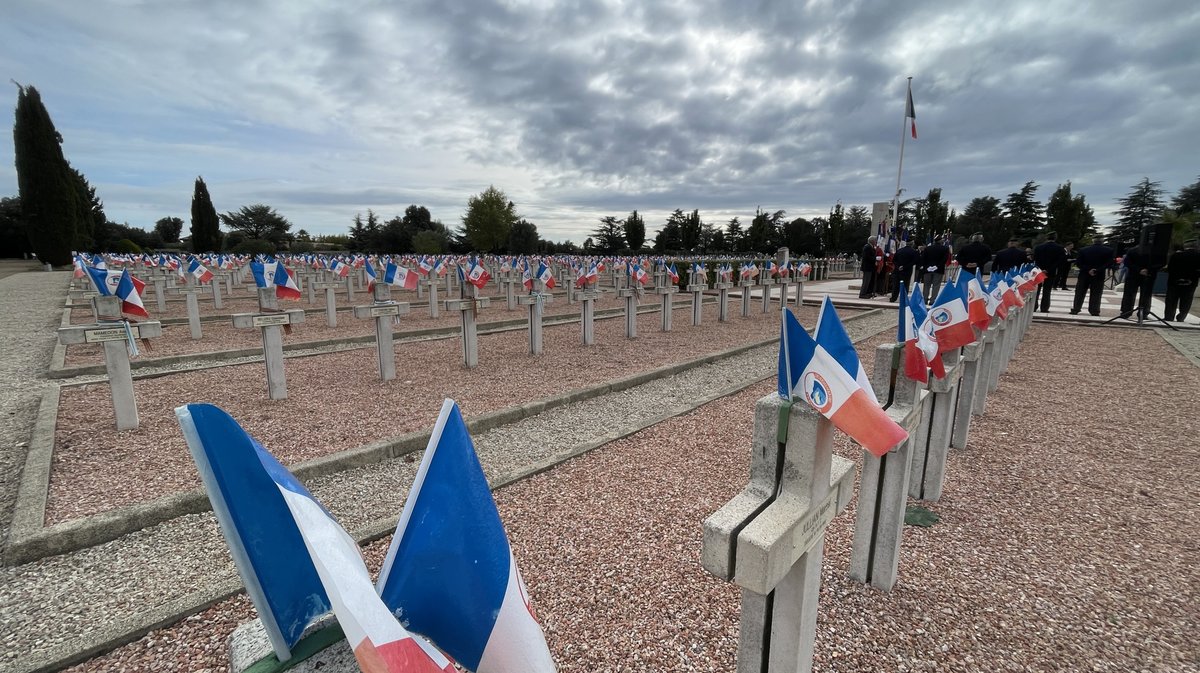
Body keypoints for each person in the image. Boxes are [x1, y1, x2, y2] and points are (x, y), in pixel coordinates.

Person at [1070, 241, 1115, 316]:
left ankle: (1076, 309)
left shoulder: (1083, 250)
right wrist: (1097, 270)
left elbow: (1078, 263)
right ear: (1102, 241)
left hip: (1084, 274)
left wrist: (1088, 269)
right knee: (1096, 293)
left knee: (1080, 292)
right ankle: (1094, 310)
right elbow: (1109, 263)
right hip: (1099, 274)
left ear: (1093, 241)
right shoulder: (1109, 250)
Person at [1164, 240, 1200, 322]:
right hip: (1191, 283)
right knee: (1186, 301)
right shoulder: (1198, 256)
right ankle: (1181, 317)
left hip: (1174, 281)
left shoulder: (1176, 255)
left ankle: (1169, 317)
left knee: (1171, 300)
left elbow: (1170, 269)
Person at [1032, 233, 1068, 312]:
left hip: (1039, 271)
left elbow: (1035, 259)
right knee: (1047, 290)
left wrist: (1041, 269)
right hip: (1051, 271)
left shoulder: (1038, 247)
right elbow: (1060, 261)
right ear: (1055, 238)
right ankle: (1044, 308)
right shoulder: (1060, 248)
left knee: (1037, 290)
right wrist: (1049, 269)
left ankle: (1034, 306)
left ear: (1046, 237)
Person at [1118, 245, 1155, 320]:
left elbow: (1127, 262)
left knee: (1129, 294)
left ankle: (1126, 312)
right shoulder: (1153, 250)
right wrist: (1147, 270)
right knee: (1146, 296)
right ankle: (1144, 313)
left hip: (1133, 274)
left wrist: (1138, 270)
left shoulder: (1132, 250)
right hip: (1147, 275)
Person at [920, 237, 949, 303]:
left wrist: (928, 267)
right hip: (938, 270)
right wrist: (936, 267)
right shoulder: (945, 248)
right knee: (936, 285)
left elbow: (923, 258)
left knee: (926, 285)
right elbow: (944, 259)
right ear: (940, 241)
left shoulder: (927, 248)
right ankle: (932, 300)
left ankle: (925, 299)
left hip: (927, 270)